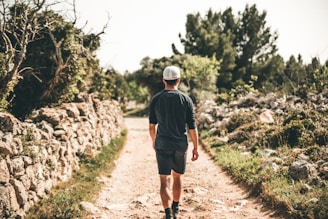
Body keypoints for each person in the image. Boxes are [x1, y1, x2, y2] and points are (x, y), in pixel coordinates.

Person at [149, 65, 199, 219]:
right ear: (178, 80)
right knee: (177, 176)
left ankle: (168, 213)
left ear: (164, 80)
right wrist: (195, 147)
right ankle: (176, 207)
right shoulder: (186, 99)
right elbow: (192, 127)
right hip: (180, 145)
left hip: (162, 144)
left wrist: (154, 141)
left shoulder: (156, 99)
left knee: (164, 179)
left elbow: (152, 126)